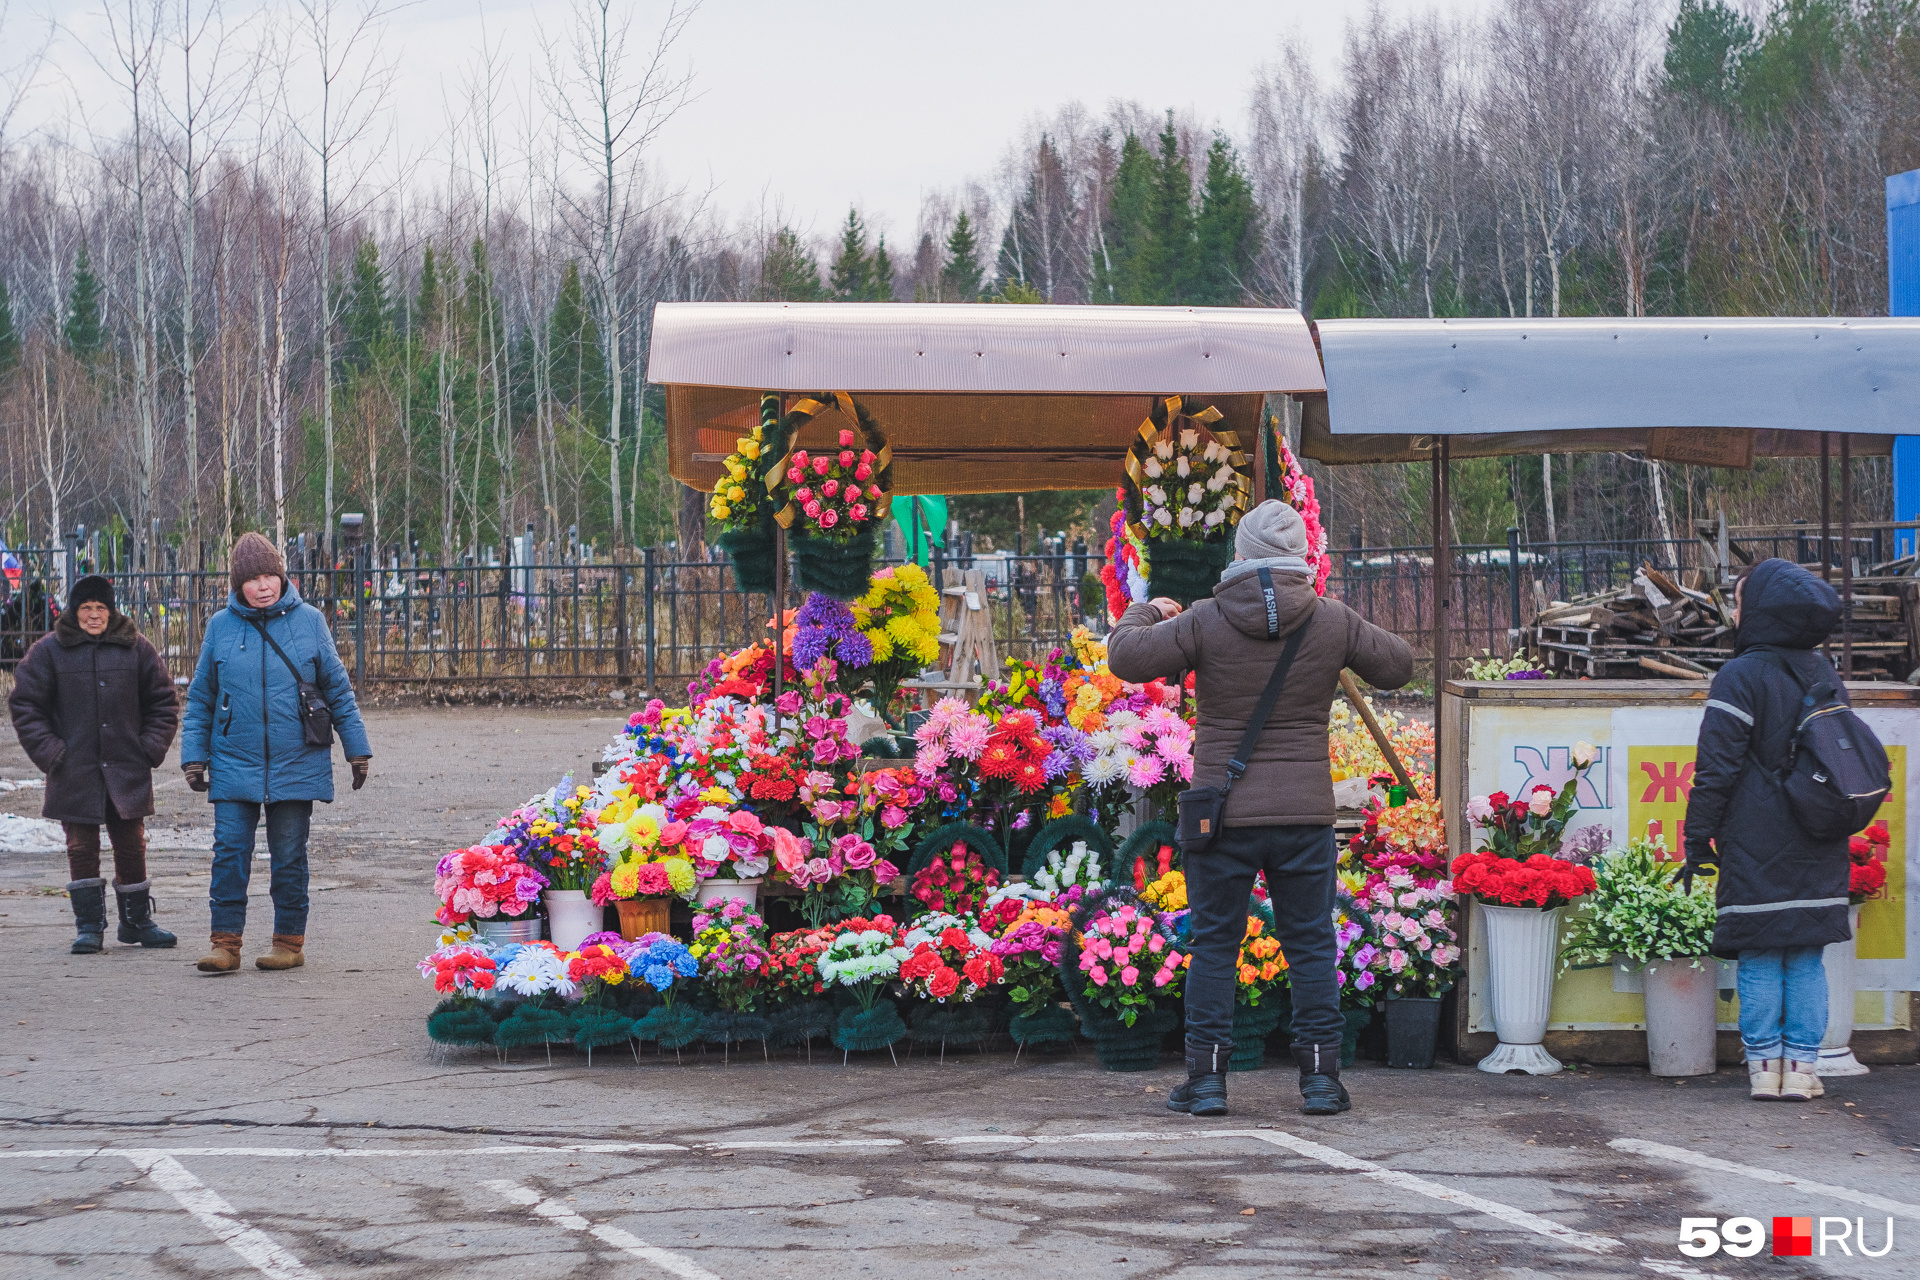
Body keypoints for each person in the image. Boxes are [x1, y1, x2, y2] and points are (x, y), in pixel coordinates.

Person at [1109, 499, 1413, 1117]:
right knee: (1309, 943)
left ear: (1240, 556)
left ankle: (1208, 1082)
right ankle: (1322, 1081)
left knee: (1216, 945)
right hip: (1304, 814)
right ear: (1302, 556)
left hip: (1223, 812)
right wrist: (1347, 630)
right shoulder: (1332, 619)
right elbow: (1400, 666)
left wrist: (1149, 609)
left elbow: (1126, 655)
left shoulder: (1205, 619)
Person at [1683, 558, 1854, 1102]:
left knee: (1759, 951)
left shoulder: (1740, 675)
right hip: (1819, 831)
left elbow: (1717, 768)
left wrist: (1697, 836)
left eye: (1739, 601)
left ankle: (1764, 1070)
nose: (1735, 611)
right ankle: (1802, 1069)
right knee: (1805, 951)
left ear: (1761, 611)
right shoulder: (1823, 672)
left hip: (1754, 836)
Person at [180, 533, 373, 974]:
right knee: (229, 853)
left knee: (288, 854)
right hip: (233, 759)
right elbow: (202, 698)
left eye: (269, 575)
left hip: (296, 758)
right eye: (252, 579)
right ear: (238, 584)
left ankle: (288, 941)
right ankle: (225, 944)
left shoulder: (309, 621)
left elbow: (338, 690)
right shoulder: (220, 627)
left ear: (282, 576)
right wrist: (194, 755)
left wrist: (356, 749)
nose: (263, 586)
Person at [7, 574, 180, 953]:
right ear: (74, 611)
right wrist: (51, 753)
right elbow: (25, 704)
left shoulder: (136, 648)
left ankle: (136, 922)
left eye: (101, 608)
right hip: (74, 768)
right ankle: (89, 926)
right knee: (81, 846)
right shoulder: (49, 651)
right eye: (86, 608)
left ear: (111, 610)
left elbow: (164, 703)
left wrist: (148, 749)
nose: (94, 615)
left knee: (131, 843)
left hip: (125, 766)